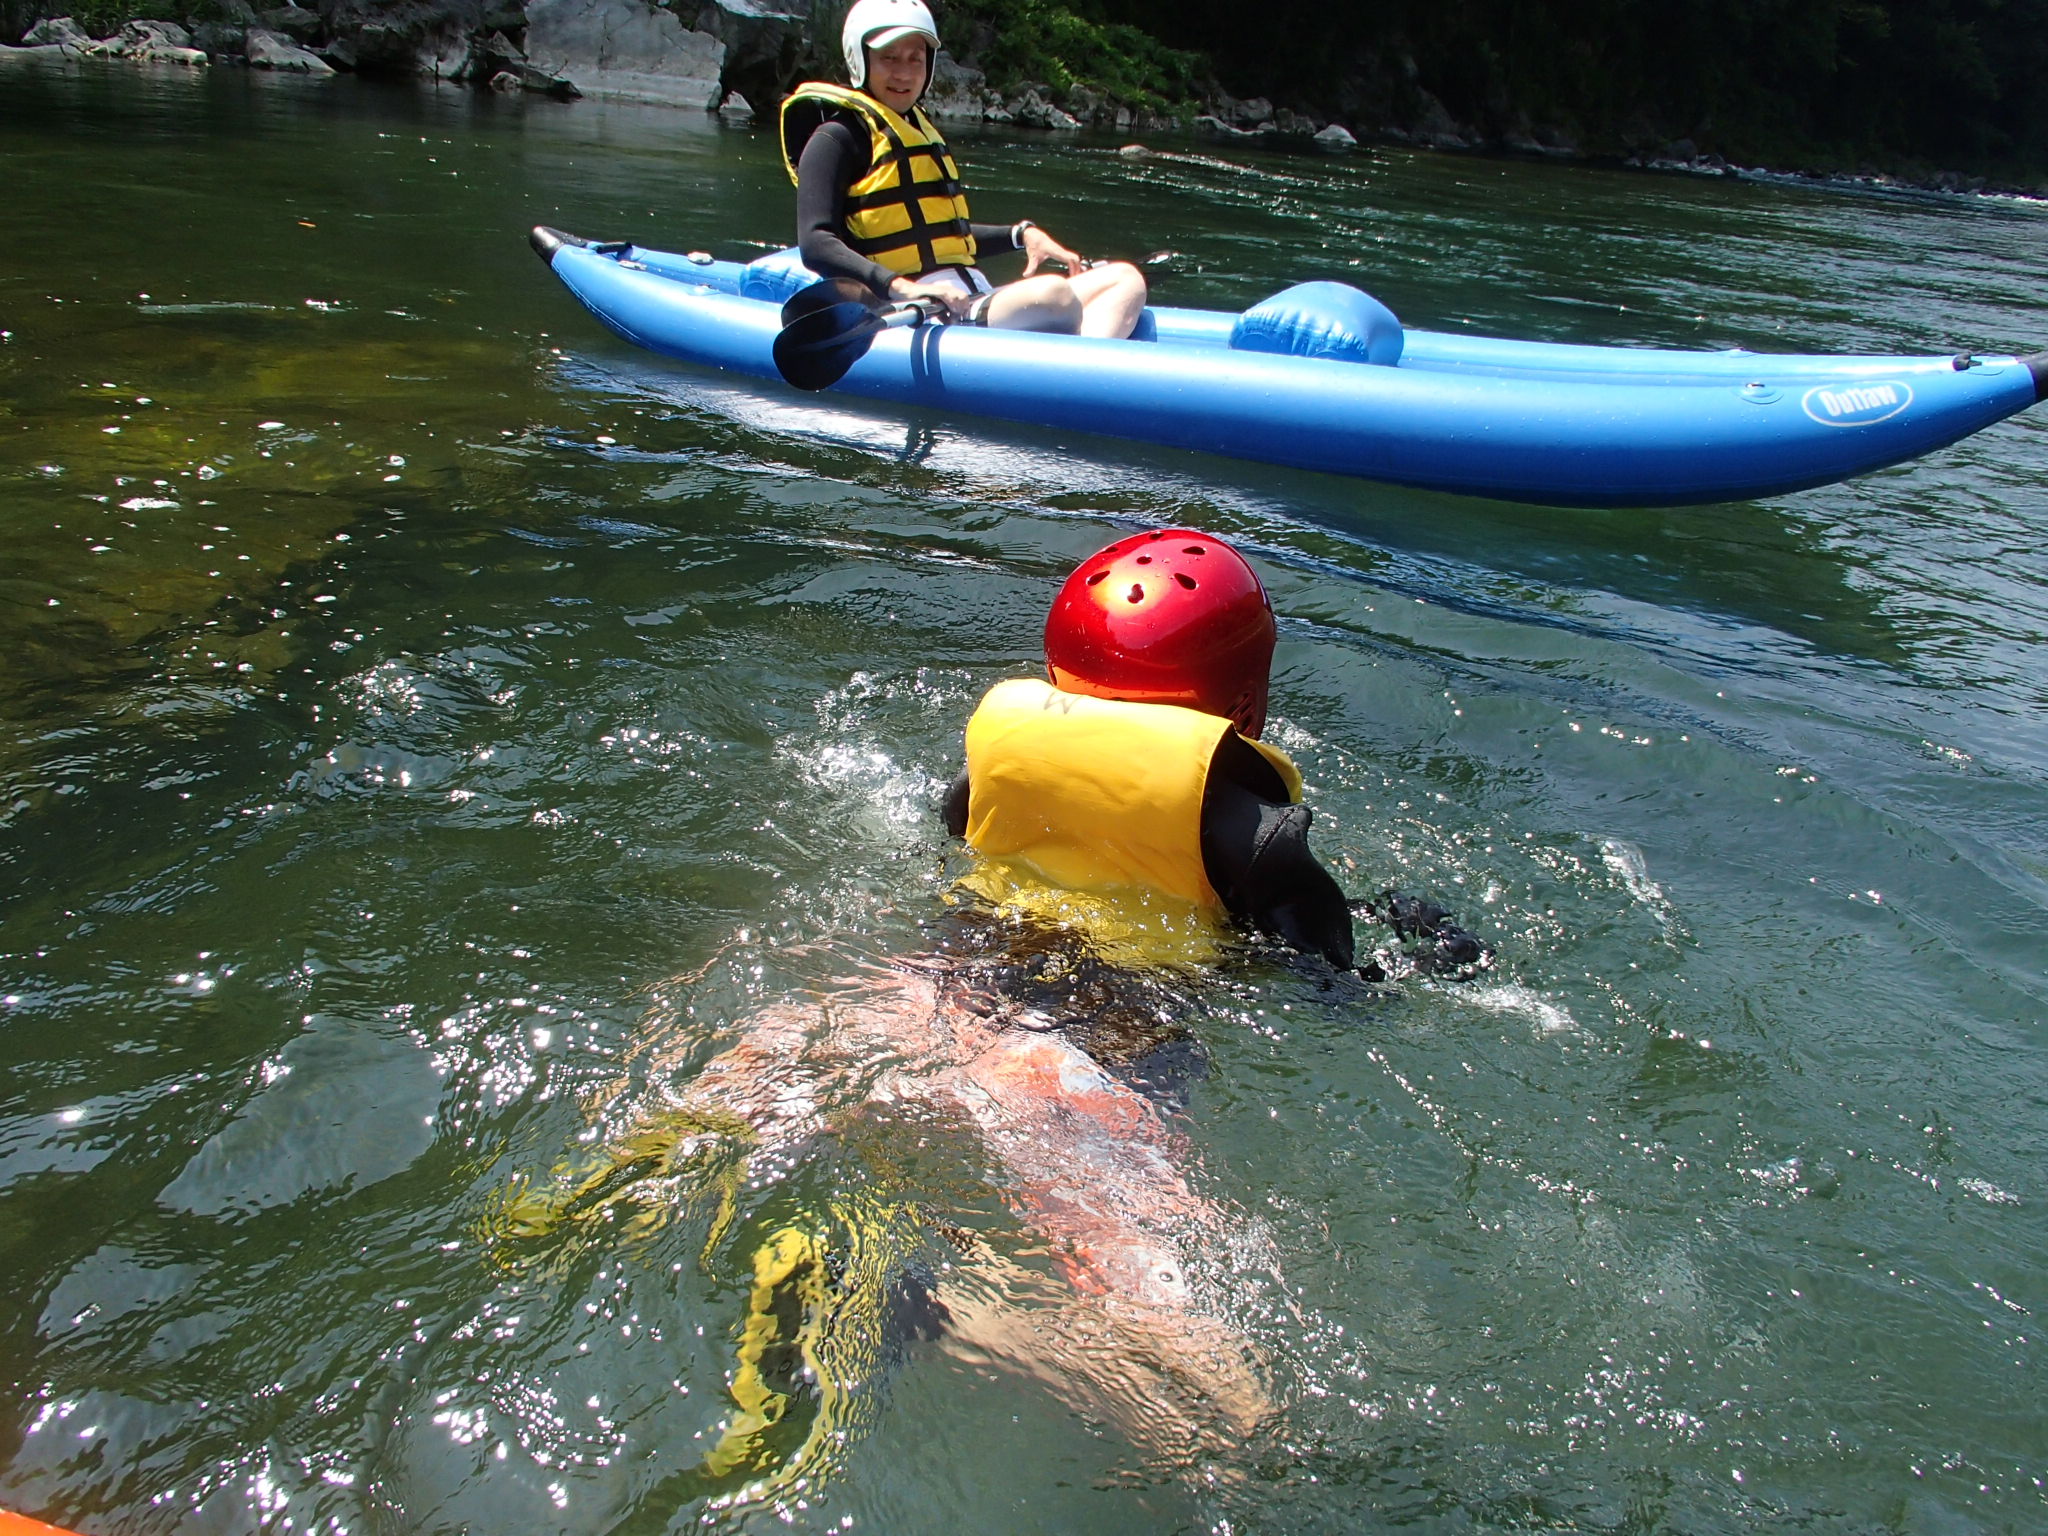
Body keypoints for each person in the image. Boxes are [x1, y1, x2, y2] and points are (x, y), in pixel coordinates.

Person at [777, 0, 1149, 339]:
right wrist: (903, 287)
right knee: (1053, 294)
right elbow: (816, 244)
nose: (904, 73)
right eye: (889, 58)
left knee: (1126, 280)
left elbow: (936, 235)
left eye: (915, 59)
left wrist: (1021, 235)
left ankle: (1082, 384)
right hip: (916, 309)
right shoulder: (835, 138)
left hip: (970, 298)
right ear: (861, 60)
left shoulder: (917, 129)